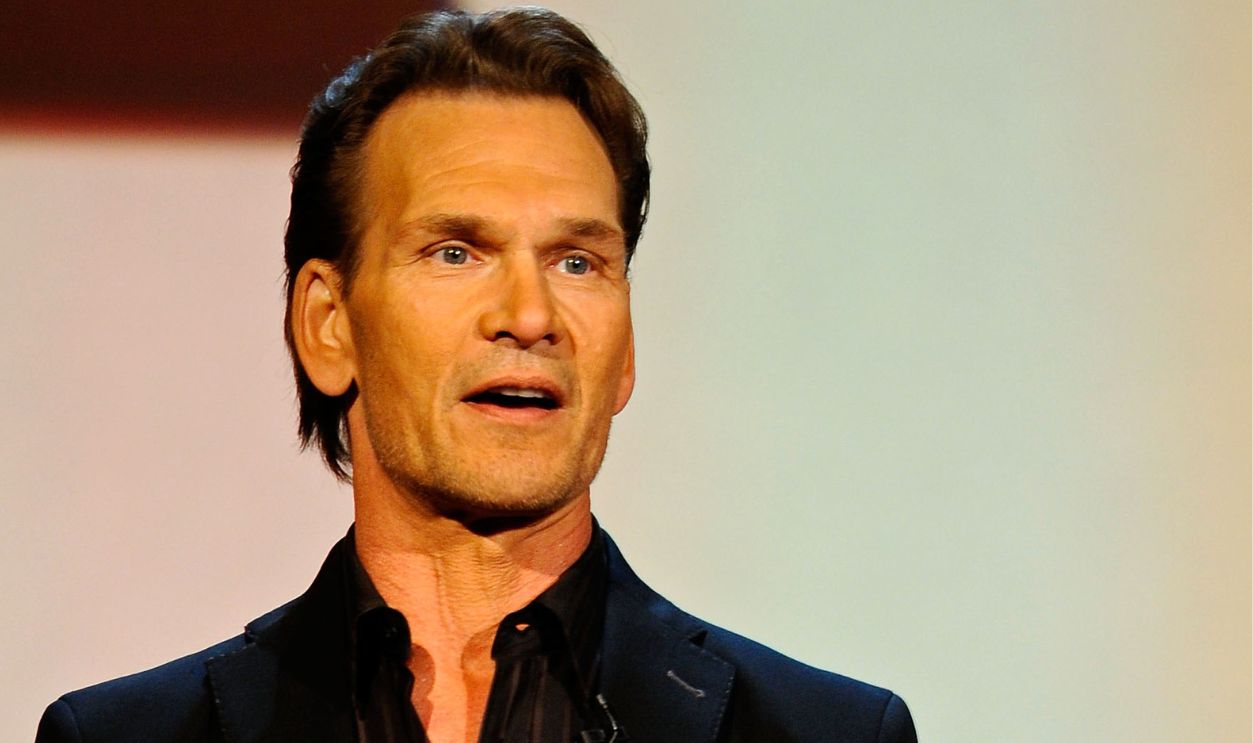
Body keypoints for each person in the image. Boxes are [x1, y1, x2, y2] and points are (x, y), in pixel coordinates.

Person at [35, 8, 916, 743]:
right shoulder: (126, 735)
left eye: (578, 262)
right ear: (328, 324)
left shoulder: (826, 731)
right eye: (456, 251)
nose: (530, 315)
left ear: (626, 348)